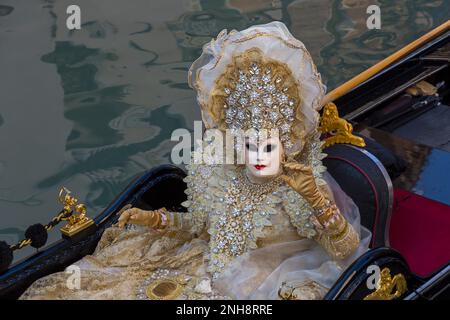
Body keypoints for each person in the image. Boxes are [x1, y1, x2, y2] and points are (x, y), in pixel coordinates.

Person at [20, 21, 370, 300]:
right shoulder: (227, 175)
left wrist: (316, 200)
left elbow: (345, 252)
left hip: (269, 283)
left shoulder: (305, 185)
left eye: (267, 147)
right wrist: (154, 219)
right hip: (209, 265)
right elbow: (202, 229)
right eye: (249, 146)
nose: (258, 158)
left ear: (286, 143)